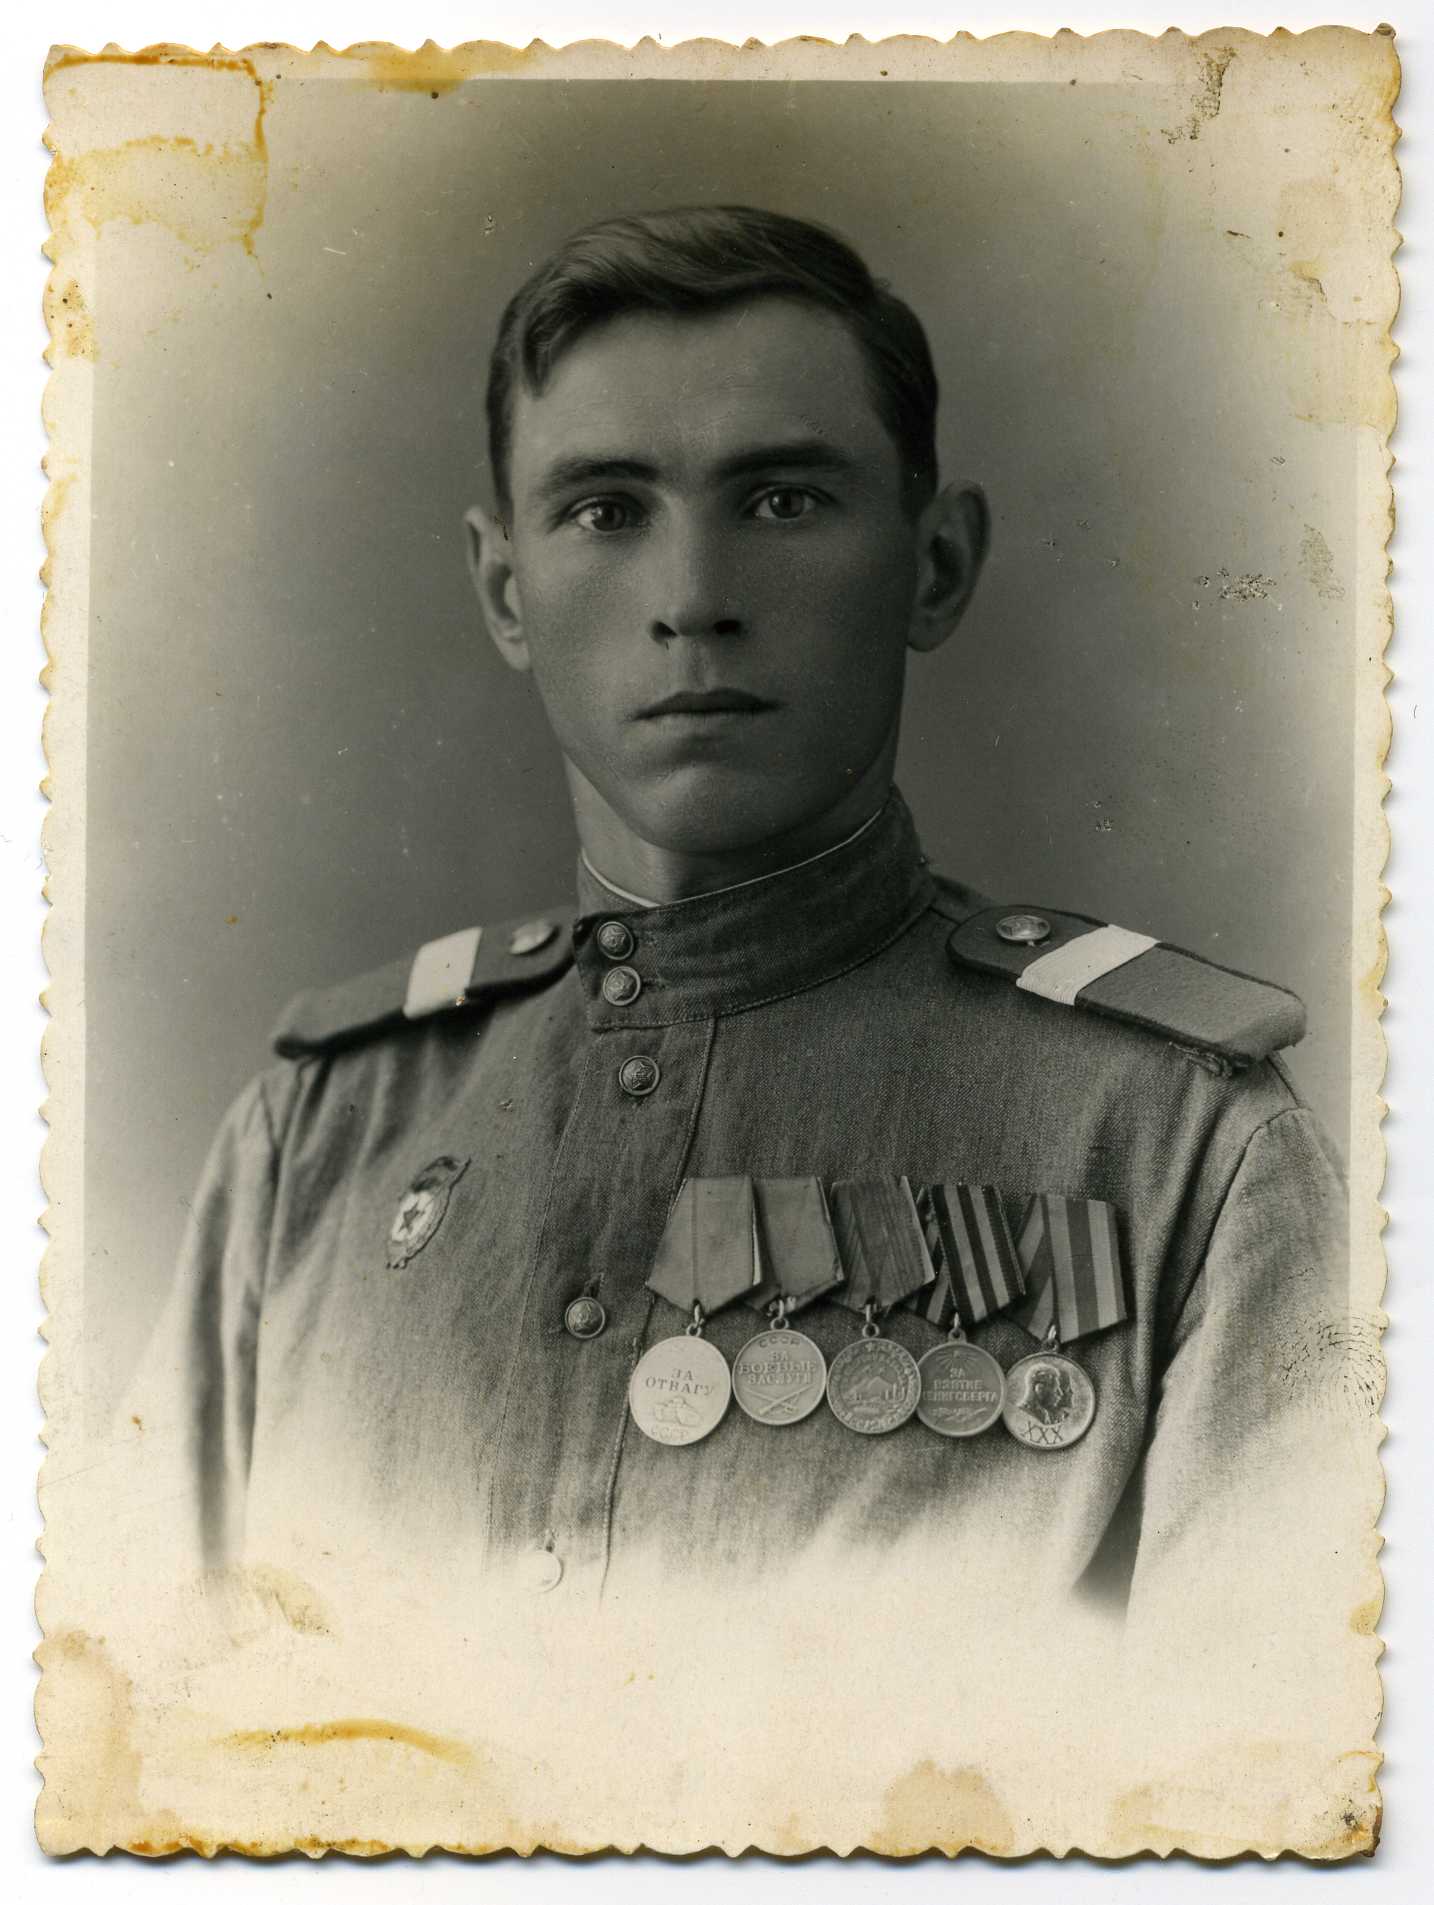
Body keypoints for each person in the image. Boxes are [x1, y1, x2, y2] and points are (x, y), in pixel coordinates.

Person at [138, 204, 1352, 1614]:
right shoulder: (314, 1142)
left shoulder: (1180, 1144)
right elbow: (147, 1701)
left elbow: (1253, 1730)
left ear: (936, 565)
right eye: (606, 511)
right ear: (505, 590)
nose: (693, 599)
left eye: (781, 502)